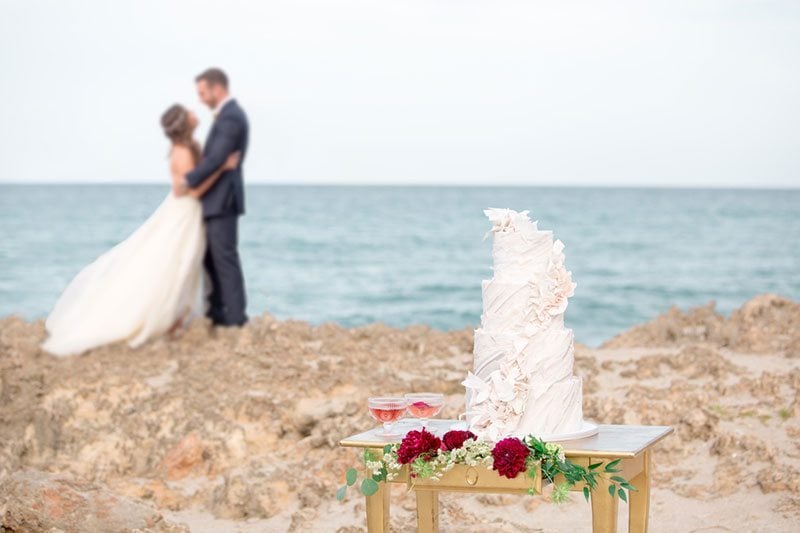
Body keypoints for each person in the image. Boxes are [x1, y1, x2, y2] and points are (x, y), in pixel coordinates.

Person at [41, 105, 240, 357]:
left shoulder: (188, 147)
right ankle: (167, 320)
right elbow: (194, 191)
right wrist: (223, 168)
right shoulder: (182, 152)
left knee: (184, 265)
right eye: (189, 111)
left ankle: (176, 320)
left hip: (186, 211)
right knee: (177, 264)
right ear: (184, 123)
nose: (194, 111)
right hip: (185, 214)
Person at [180, 67, 249, 327]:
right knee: (212, 257)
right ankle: (217, 311)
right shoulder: (226, 116)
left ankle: (235, 318)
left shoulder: (231, 117)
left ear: (217, 89)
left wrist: (187, 180)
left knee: (224, 258)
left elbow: (217, 157)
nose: (200, 99)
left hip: (223, 200)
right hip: (214, 199)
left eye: (202, 92)